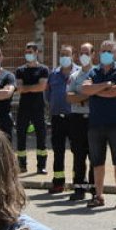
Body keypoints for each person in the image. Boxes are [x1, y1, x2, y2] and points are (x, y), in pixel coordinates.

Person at [81, 39, 116, 209]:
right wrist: (105, 86)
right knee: (97, 163)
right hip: (95, 124)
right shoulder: (94, 71)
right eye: (103, 51)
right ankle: (99, 196)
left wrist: (96, 91)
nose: (105, 54)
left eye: (109, 51)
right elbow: (85, 89)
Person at [64, 43, 95, 201]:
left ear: (93, 55)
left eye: (87, 53)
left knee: (94, 155)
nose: (84, 56)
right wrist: (87, 96)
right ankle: (79, 188)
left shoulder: (97, 74)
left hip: (93, 119)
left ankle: (94, 188)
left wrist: (80, 96)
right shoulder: (74, 76)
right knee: (78, 155)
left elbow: (97, 94)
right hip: (76, 119)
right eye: (81, 53)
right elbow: (69, 98)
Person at [14, 42, 50, 175]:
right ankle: (22, 165)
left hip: (38, 107)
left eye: (30, 52)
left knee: (41, 135)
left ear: (36, 53)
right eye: (26, 52)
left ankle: (41, 166)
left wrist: (27, 88)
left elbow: (41, 87)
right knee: (21, 135)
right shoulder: (20, 70)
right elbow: (19, 89)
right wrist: (33, 87)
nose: (28, 55)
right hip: (24, 107)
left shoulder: (43, 69)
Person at [45, 45, 75, 195]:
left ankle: (78, 183)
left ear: (72, 56)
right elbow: (47, 95)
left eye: (67, 54)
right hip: (57, 118)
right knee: (58, 151)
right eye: (62, 54)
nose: (64, 57)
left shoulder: (79, 72)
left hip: (74, 119)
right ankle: (58, 183)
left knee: (78, 151)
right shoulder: (53, 74)